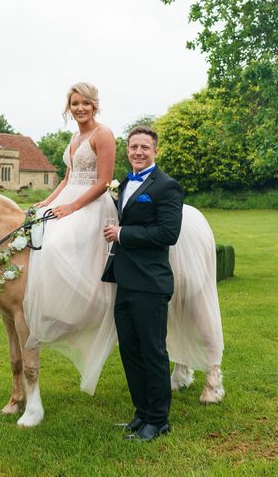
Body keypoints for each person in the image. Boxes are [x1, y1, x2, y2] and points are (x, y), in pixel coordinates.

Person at [23, 82, 119, 395]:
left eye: (85, 104)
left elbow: (104, 182)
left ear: (95, 106)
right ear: (69, 106)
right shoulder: (74, 136)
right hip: (68, 198)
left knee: (55, 246)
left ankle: (76, 307)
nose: (80, 108)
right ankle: (46, 305)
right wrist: (48, 203)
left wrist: (72, 207)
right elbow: (67, 178)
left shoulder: (103, 134)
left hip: (91, 204)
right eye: (75, 103)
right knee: (37, 236)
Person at [102, 125, 183, 441]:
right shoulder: (123, 183)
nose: (138, 152)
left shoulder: (166, 187)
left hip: (151, 283)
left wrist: (122, 234)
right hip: (124, 281)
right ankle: (141, 414)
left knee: (153, 352)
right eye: (133, 146)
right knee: (130, 352)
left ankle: (159, 420)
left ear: (155, 151)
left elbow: (168, 234)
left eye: (144, 147)